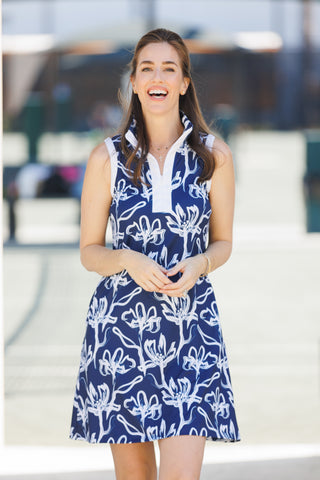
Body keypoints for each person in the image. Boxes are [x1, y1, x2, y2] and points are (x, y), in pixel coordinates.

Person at [70, 28, 240, 480]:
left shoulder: (214, 156)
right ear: (134, 80)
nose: (157, 76)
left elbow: (222, 242)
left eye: (169, 67)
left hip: (192, 332)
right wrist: (128, 259)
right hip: (120, 336)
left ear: (184, 82)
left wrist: (201, 263)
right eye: (147, 67)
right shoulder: (105, 158)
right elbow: (90, 252)